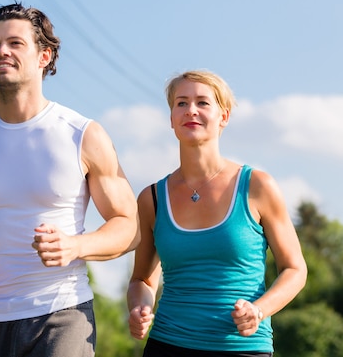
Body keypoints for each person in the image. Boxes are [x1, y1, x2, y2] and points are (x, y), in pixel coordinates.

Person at [0, 2, 139, 357]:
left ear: (45, 56)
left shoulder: (82, 134)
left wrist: (77, 246)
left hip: (61, 316)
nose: (2, 52)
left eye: (15, 43)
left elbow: (130, 225)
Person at [127, 70, 307, 356]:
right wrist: (140, 307)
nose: (191, 111)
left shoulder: (257, 186)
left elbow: (295, 269)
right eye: (182, 103)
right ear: (172, 118)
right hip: (168, 344)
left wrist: (258, 311)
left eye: (203, 103)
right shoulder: (152, 199)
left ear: (223, 116)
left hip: (243, 347)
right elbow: (143, 280)